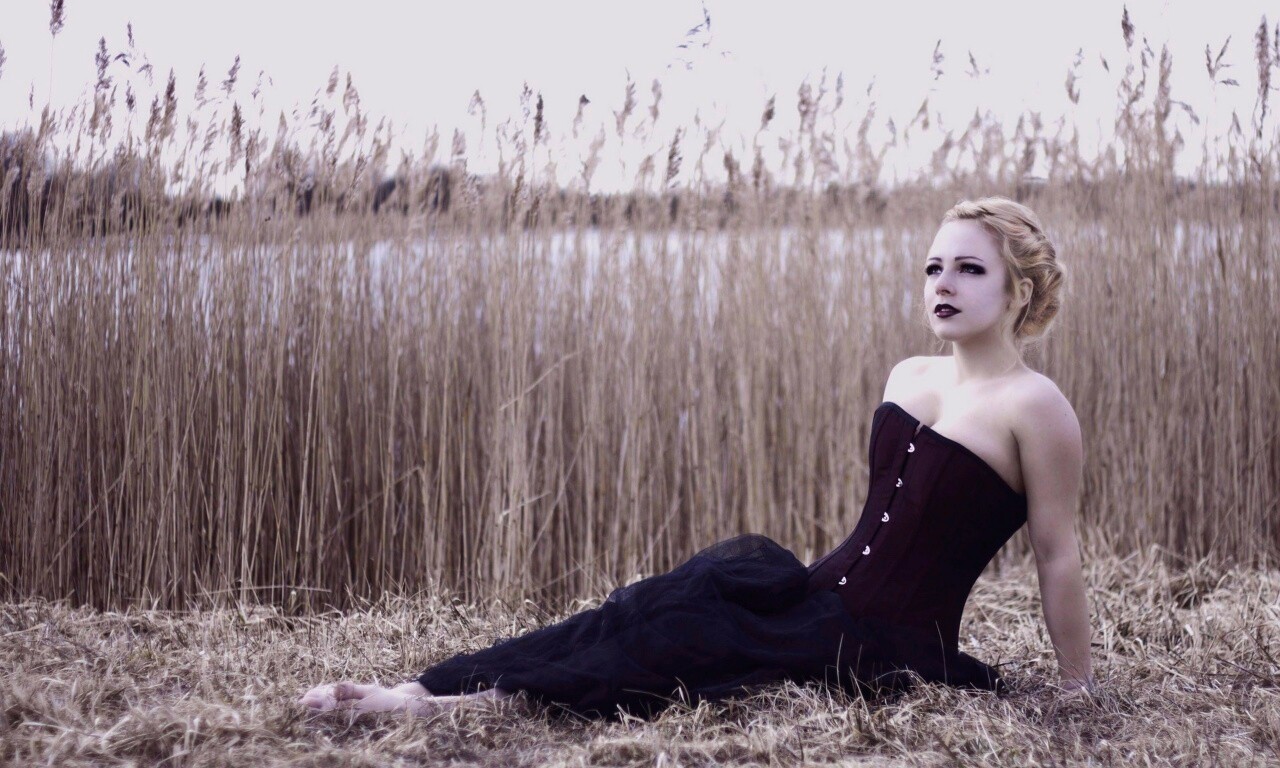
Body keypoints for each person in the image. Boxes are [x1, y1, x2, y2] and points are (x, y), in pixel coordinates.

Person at [300, 196, 1094, 718]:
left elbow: (1057, 555)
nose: (942, 283)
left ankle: (453, 710)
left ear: (1019, 292)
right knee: (657, 606)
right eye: (933, 267)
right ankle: (428, 686)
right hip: (818, 595)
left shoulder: (1036, 408)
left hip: (888, 645)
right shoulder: (908, 376)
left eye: (969, 269)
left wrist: (1077, 687)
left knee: (687, 646)